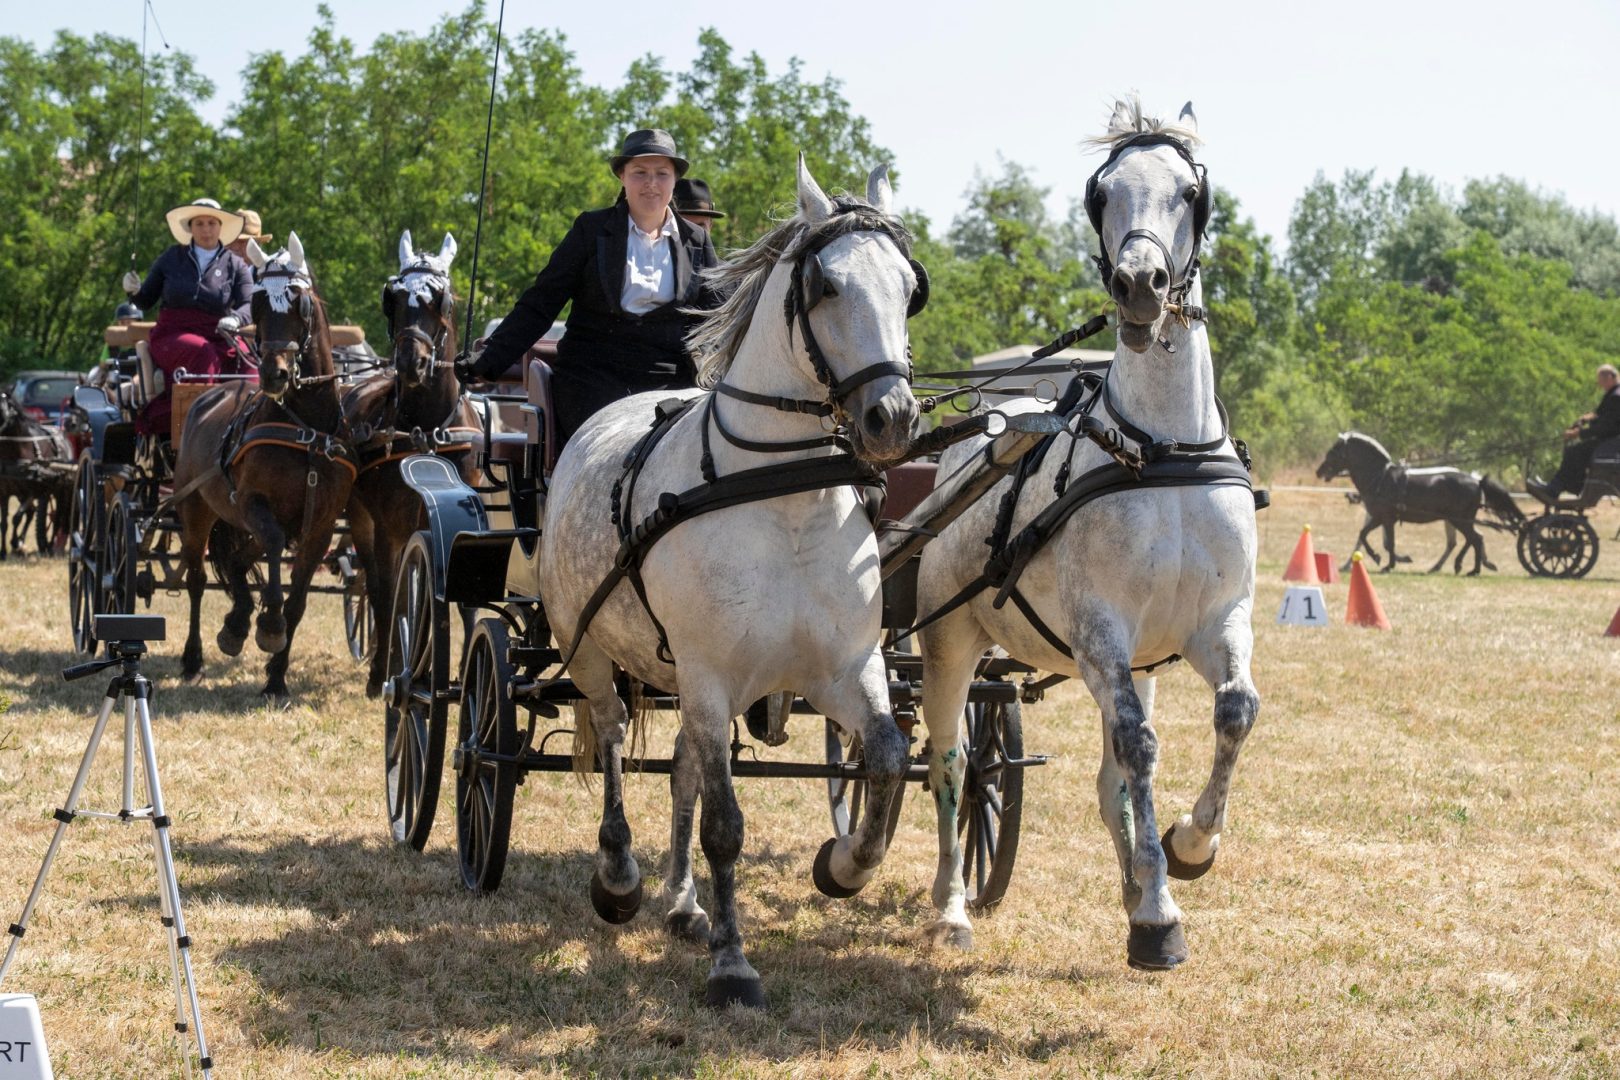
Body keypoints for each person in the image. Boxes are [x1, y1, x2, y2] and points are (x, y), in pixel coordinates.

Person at [457, 129, 719, 443]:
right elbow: (541, 302)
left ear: (674, 180)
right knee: (617, 444)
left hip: (669, 379)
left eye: (661, 174)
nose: (651, 183)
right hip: (593, 375)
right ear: (622, 176)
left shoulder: (696, 241)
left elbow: (719, 315)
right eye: (640, 173)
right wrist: (489, 361)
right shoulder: (591, 230)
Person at [121, 199, 255, 437]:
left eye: (212, 223)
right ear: (190, 228)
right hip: (173, 334)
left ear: (220, 226)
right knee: (202, 352)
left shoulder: (235, 264)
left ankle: (251, 425)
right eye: (200, 223)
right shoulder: (171, 258)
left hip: (220, 332)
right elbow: (145, 301)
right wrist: (132, 291)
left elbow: (249, 303)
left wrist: (236, 319)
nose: (206, 229)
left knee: (250, 361)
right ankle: (199, 431)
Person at [1528, 364, 1620, 502]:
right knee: (1574, 451)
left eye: (1601, 381)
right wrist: (1585, 418)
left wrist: (1578, 433)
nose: (1600, 385)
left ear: (1610, 377)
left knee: (1574, 452)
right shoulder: (1613, 394)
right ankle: (1558, 487)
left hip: (1611, 444)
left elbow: (1606, 427)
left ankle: (1555, 489)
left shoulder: (1616, 396)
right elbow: (1599, 414)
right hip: (1608, 440)